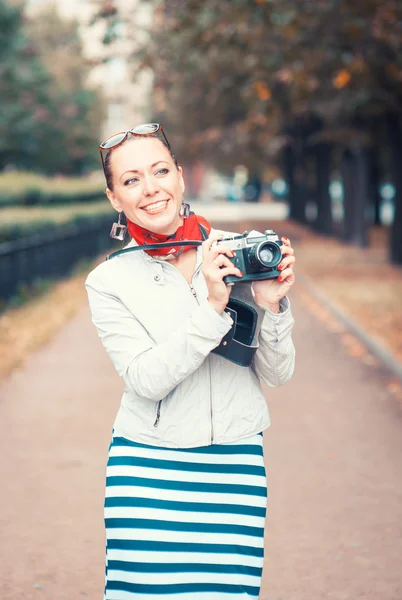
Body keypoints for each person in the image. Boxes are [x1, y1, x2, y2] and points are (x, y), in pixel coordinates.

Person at [85, 123, 296, 600]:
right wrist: (211, 309)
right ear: (114, 197)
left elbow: (278, 374)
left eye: (160, 171)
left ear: (180, 176)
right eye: (131, 179)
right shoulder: (109, 281)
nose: (151, 188)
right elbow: (145, 379)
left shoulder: (238, 252)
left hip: (234, 464)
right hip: (148, 469)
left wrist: (273, 304)